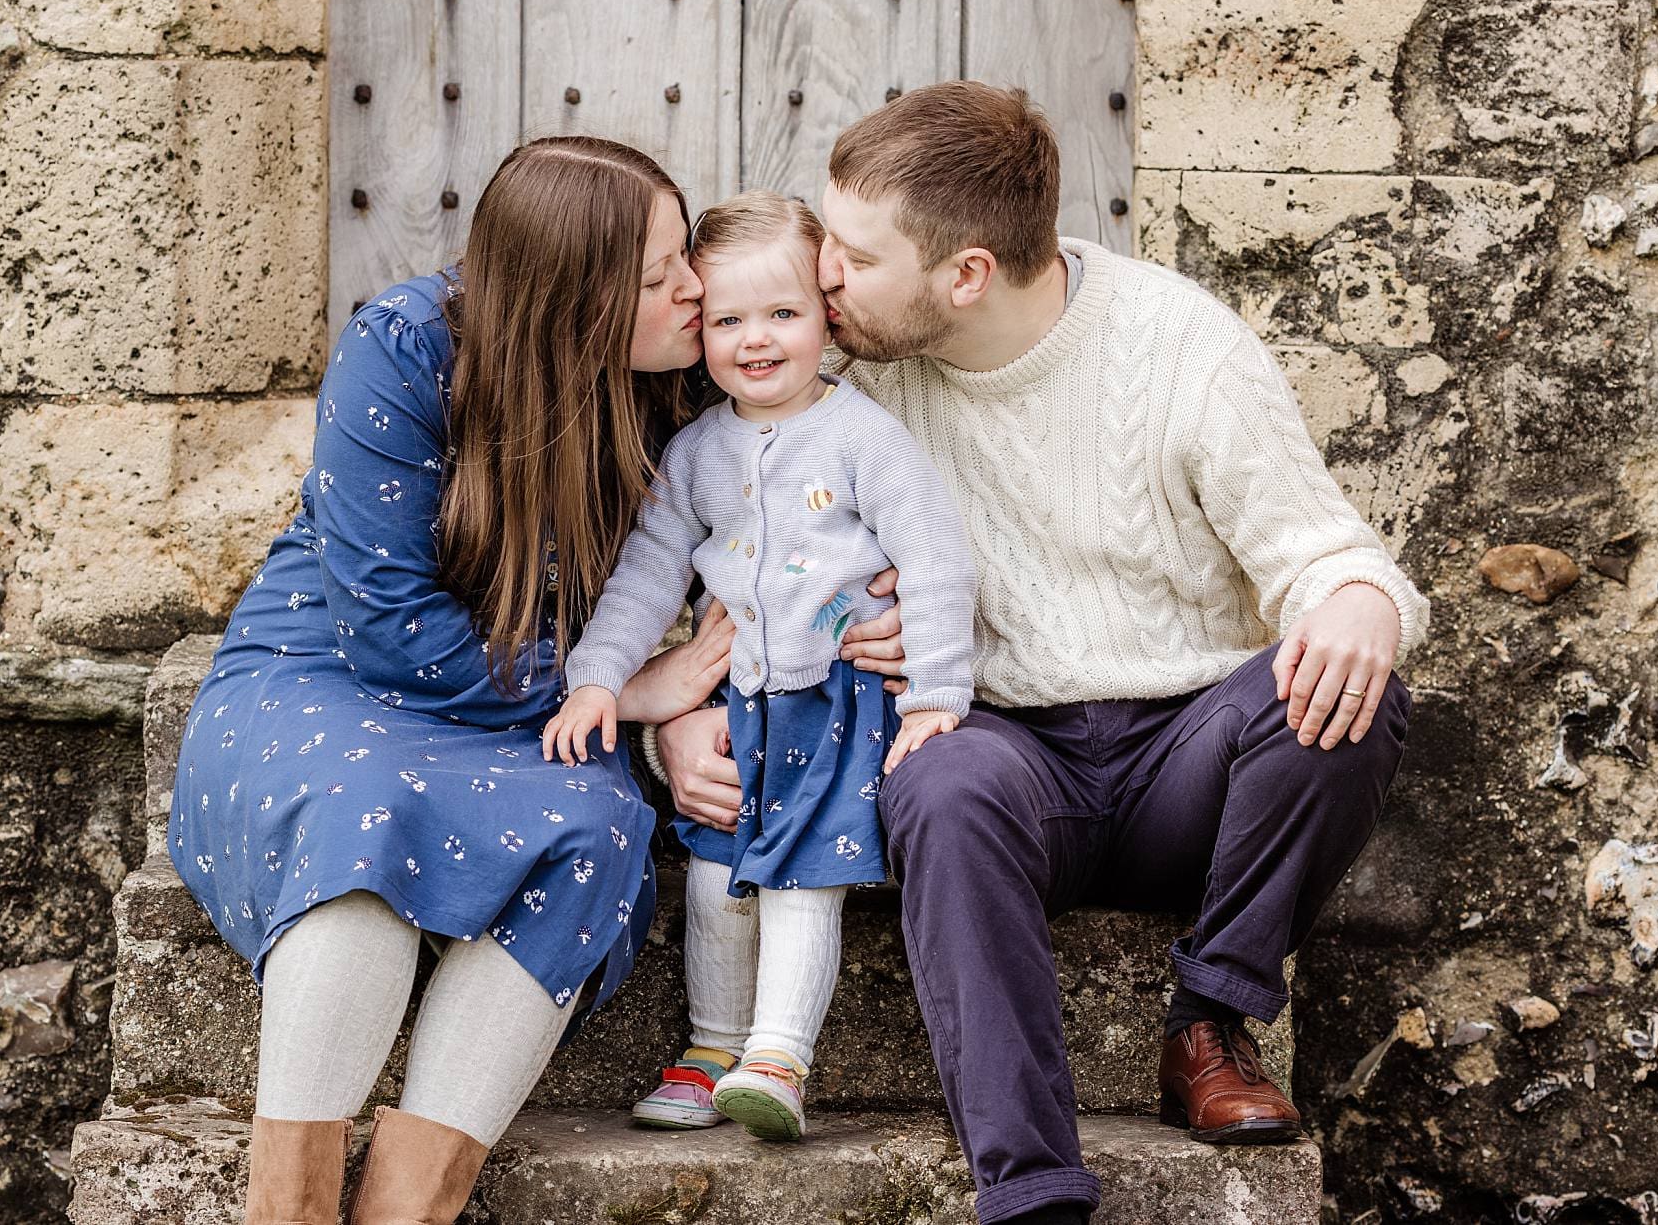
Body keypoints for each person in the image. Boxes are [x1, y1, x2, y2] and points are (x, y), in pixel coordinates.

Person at [646, 82, 1426, 1224]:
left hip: (1186, 759)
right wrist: (677, 704)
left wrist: (1360, 595)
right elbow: (725, 537)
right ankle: (1032, 1186)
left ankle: (1208, 1018)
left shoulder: (1178, 345)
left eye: (853, 257)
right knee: (940, 779)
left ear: (964, 273)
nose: (819, 281)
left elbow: (1322, 553)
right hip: (1004, 750)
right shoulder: (843, 366)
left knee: (1344, 691)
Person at [167, 135, 743, 1225]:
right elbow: (387, 625)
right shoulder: (405, 346)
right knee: (357, 825)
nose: (696, 288)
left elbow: (814, 508)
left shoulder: (685, 379)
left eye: (689, 257)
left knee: (596, 832)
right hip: (329, 673)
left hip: (530, 710)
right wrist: (612, 697)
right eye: (663, 272)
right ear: (573, 296)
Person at [542, 190, 977, 1142]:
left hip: (840, 701)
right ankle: (712, 1050)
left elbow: (937, 554)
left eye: (783, 313)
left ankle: (779, 1055)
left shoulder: (863, 438)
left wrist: (939, 692)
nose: (756, 339)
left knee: (798, 880)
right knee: (713, 875)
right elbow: (646, 577)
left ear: (829, 318)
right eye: (729, 319)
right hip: (746, 706)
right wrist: (597, 678)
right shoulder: (697, 453)